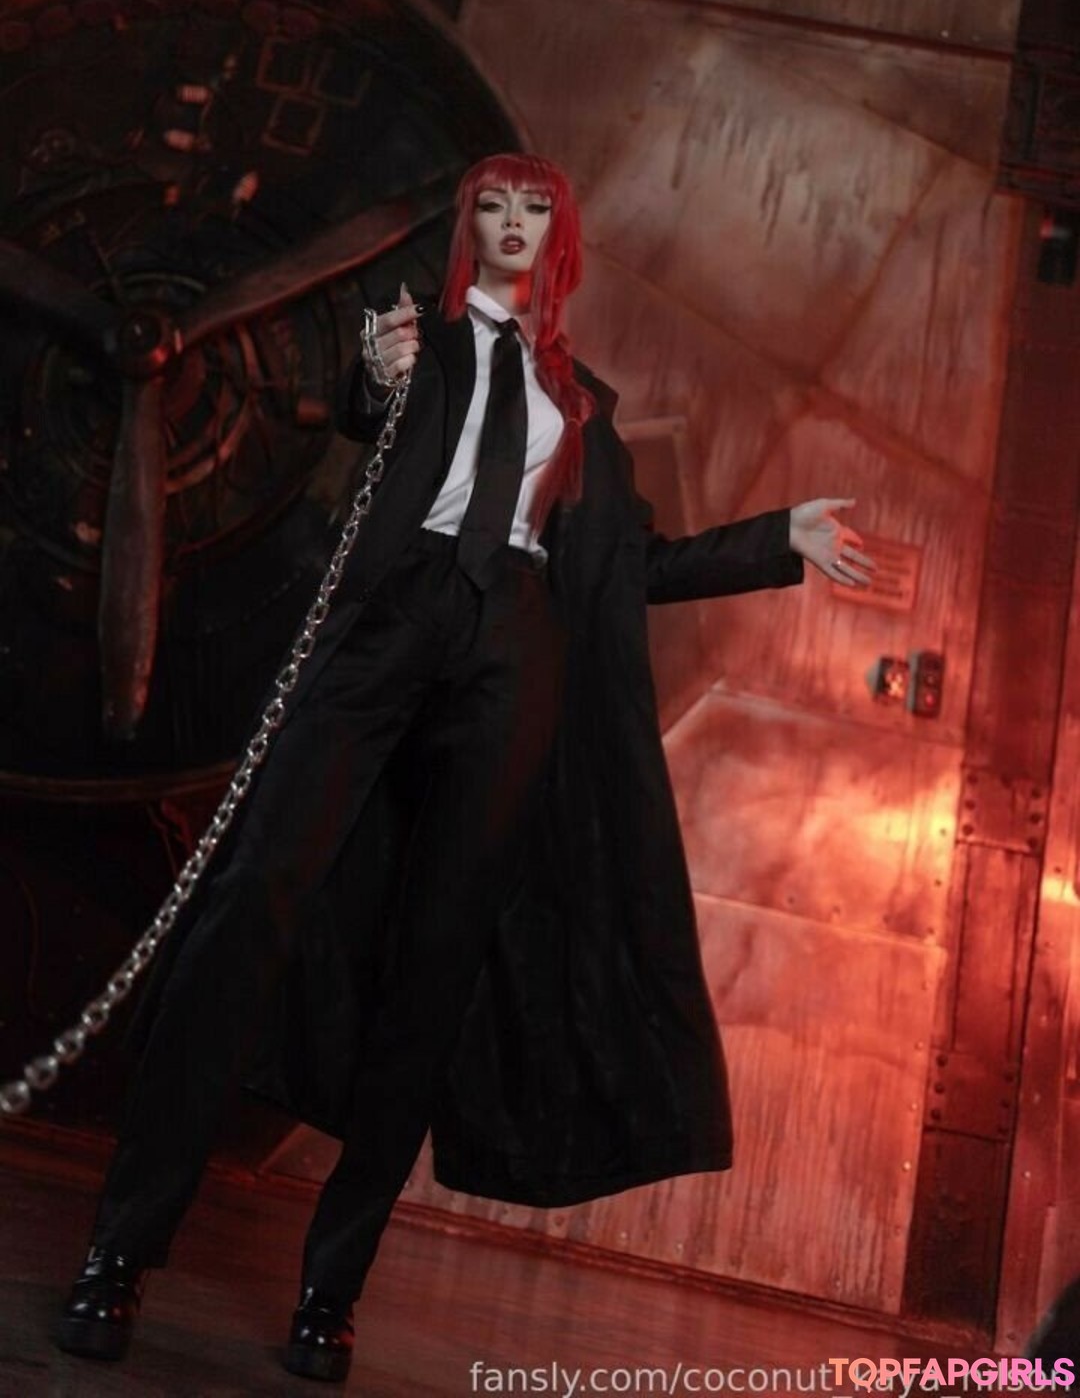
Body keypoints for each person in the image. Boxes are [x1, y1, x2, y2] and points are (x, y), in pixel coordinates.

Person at [55, 152, 873, 1383]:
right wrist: (376, 374)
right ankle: (119, 1253)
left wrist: (780, 538)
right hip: (393, 621)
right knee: (249, 906)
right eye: (493, 204)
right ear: (468, 228)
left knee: (435, 967)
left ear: (561, 238)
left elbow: (633, 567)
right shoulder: (416, 346)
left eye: (535, 207)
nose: (513, 222)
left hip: (516, 648)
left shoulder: (581, 405)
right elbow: (366, 408)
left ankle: (330, 1295)